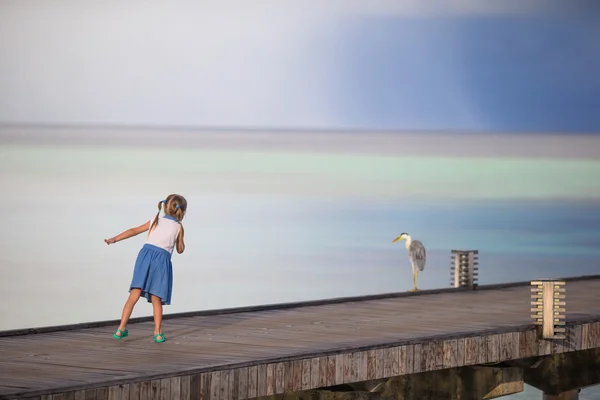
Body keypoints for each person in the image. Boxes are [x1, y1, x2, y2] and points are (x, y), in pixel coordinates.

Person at [104, 194, 187, 343]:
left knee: (134, 294)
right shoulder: (179, 227)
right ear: (182, 211)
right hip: (162, 260)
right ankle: (158, 333)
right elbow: (180, 250)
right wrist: (181, 239)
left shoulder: (156, 220)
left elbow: (134, 230)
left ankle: (121, 329)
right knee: (156, 298)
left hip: (145, 256)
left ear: (165, 206)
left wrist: (114, 239)